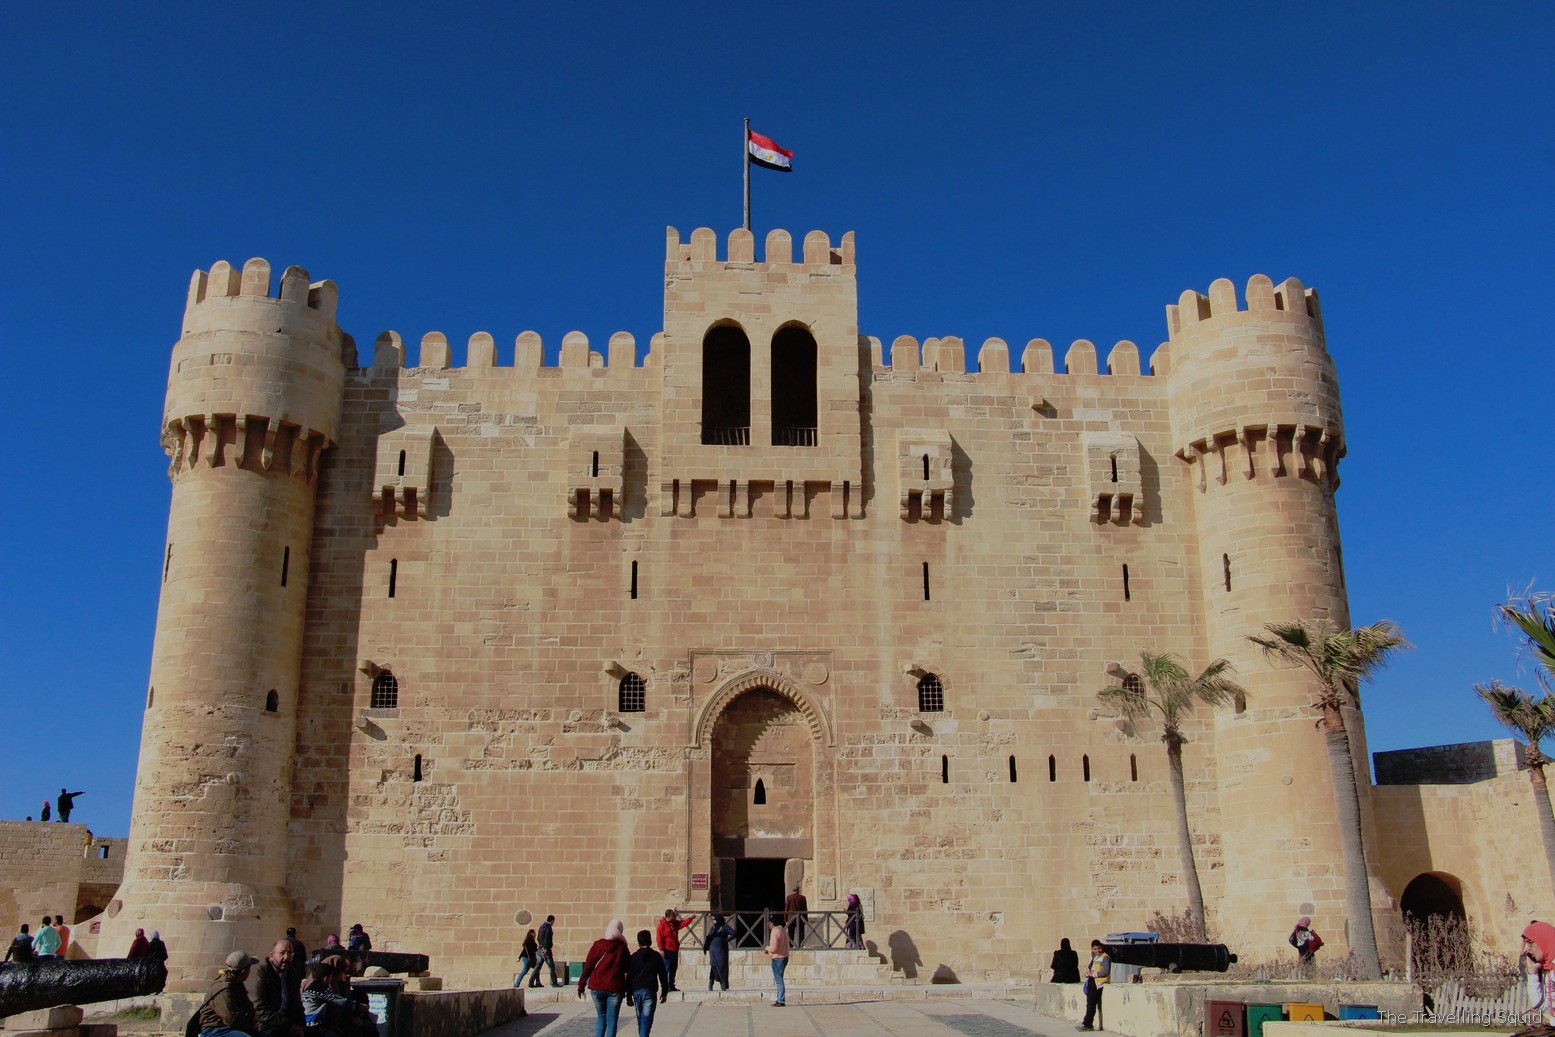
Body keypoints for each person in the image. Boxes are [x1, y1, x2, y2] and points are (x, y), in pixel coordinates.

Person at [577, 920, 630, 1037]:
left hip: (597, 986)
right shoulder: (622, 948)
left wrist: (581, 985)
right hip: (615, 988)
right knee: (612, 1021)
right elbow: (627, 968)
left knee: (601, 1017)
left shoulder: (598, 945)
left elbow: (588, 966)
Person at [246, 940, 305, 1037]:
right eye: (282, 953)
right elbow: (260, 1009)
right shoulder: (260, 973)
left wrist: (301, 1027)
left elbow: (297, 1004)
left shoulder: (292, 973)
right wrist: (290, 1026)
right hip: (265, 1025)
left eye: (290, 953)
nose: (286, 957)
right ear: (271, 955)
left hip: (286, 1023)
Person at [198, 951, 259, 1037]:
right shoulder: (224, 988)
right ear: (244, 971)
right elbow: (231, 1019)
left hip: (232, 1027)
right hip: (215, 1029)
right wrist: (249, 1023)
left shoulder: (237, 983)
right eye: (249, 968)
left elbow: (247, 1006)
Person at [626, 930, 670, 1037]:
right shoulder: (656, 956)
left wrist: (628, 996)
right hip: (649, 991)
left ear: (639, 942)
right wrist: (664, 992)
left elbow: (629, 977)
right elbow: (663, 975)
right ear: (650, 941)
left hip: (636, 991)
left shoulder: (633, 957)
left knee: (641, 1020)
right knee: (646, 1020)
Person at [301, 961, 357, 1037]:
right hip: (317, 1027)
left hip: (305, 1025)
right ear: (326, 978)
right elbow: (341, 1001)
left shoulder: (307, 989)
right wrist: (358, 1006)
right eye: (331, 977)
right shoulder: (324, 991)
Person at [654, 909, 695, 992]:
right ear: (669, 916)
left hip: (674, 949)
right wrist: (661, 949)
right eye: (673, 915)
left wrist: (690, 918)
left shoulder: (673, 923)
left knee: (673, 968)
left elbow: (681, 924)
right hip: (667, 949)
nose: (675, 917)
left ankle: (671, 985)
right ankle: (665, 986)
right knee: (666, 968)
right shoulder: (662, 926)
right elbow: (659, 938)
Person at [1524, 921, 1555, 1026]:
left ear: (1543, 940)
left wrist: (1549, 1021)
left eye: (1530, 942)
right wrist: (1532, 973)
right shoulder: (1549, 968)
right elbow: (1542, 1006)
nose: (1527, 948)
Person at [1077, 939, 1110, 1031]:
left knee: (1091, 1004)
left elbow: (1105, 971)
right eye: (1095, 949)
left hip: (1099, 983)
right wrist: (1089, 973)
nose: (1097, 950)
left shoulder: (1105, 957)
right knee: (1089, 1003)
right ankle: (1087, 1023)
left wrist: (1094, 974)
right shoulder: (1095, 957)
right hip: (1092, 982)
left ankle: (1088, 1024)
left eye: (1099, 948)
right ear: (1092, 949)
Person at [764, 916, 790, 1007]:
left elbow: (774, 948)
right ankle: (780, 998)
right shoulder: (782, 930)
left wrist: (767, 948)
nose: (768, 925)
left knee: (779, 980)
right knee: (780, 979)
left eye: (769, 923)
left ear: (772, 923)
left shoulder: (775, 932)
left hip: (778, 958)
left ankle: (781, 1000)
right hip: (785, 956)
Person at [705, 914, 734, 992]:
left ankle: (722, 985)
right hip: (713, 949)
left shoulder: (724, 926)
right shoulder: (713, 928)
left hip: (720, 950)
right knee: (714, 966)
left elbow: (734, 934)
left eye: (715, 920)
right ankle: (711, 984)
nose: (714, 921)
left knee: (721, 966)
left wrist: (725, 940)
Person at [537, 915, 562, 987]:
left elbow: (538, 938)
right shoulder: (548, 928)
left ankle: (531, 981)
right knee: (551, 966)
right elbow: (547, 940)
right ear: (552, 921)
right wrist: (546, 949)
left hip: (540, 949)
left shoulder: (541, 926)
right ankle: (554, 982)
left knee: (538, 966)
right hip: (546, 950)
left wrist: (541, 947)